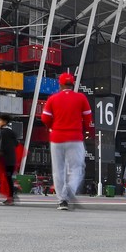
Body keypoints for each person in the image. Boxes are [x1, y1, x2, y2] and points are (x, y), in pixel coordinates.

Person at [40, 72, 92, 211]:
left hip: (56, 138)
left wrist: (52, 127)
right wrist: (87, 131)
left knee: (58, 170)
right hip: (75, 138)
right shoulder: (81, 98)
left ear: (60, 84)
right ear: (73, 84)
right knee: (76, 168)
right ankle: (69, 190)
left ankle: (62, 200)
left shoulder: (53, 99)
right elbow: (88, 119)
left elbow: (45, 118)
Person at [0, 114, 18, 205]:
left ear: (4, 122)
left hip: (7, 160)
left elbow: (2, 146)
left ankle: (10, 198)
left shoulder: (4, 132)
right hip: (11, 159)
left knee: (8, 179)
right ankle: (10, 197)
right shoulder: (10, 131)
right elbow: (16, 144)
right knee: (8, 179)